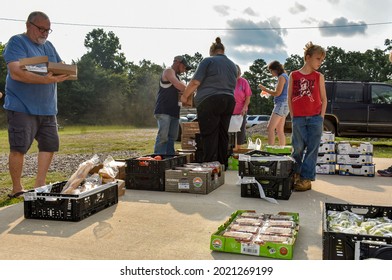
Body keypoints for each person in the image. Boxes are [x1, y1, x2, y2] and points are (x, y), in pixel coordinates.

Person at [3, 11, 69, 198]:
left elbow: (59, 64)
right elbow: (16, 72)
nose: (45, 34)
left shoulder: (49, 46)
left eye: (48, 30)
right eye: (41, 29)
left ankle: (40, 186)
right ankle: (17, 189)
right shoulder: (16, 42)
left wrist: (64, 69)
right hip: (21, 106)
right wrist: (46, 79)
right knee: (19, 148)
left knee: (49, 145)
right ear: (28, 25)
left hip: (48, 108)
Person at [181, 37, 237, 168]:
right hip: (229, 100)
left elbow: (195, 82)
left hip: (210, 100)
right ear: (223, 50)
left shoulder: (208, 61)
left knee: (210, 134)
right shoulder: (232, 65)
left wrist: (184, 96)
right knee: (223, 134)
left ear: (212, 51)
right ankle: (222, 164)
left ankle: (210, 166)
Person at [288, 41, 327, 191]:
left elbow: (324, 99)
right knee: (297, 148)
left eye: (322, 60)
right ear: (307, 57)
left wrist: (321, 117)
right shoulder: (294, 75)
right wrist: (293, 116)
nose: (320, 62)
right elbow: (290, 97)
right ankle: (295, 174)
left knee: (312, 149)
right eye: (318, 59)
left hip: (315, 118)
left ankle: (306, 179)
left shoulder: (319, 76)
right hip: (298, 118)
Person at [153, 55, 191, 155]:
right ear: (178, 62)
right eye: (184, 67)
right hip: (164, 110)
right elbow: (179, 85)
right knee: (163, 136)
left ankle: (169, 157)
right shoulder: (168, 71)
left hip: (174, 111)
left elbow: (182, 89)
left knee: (172, 138)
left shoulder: (178, 77)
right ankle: (159, 158)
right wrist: (190, 89)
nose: (184, 70)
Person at [258, 60, 289, 146]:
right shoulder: (286, 76)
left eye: (270, 71)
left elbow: (277, 93)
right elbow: (281, 92)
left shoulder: (281, 77)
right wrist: (268, 92)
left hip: (281, 104)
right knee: (279, 129)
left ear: (275, 70)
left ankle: (270, 150)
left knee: (270, 128)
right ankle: (282, 149)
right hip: (285, 104)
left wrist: (265, 89)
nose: (271, 73)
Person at [233, 65, 251, 150]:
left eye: (238, 74)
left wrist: (244, 107)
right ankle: (229, 149)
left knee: (240, 131)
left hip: (241, 111)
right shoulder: (227, 81)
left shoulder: (243, 81)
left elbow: (248, 96)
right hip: (228, 111)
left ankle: (238, 149)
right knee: (229, 131)